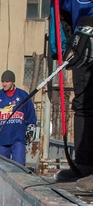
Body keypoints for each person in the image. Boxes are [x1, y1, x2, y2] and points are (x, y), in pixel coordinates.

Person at [55, 1, 93, 191]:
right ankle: (85, 166)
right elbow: (60, 13)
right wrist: (62, 46)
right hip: (81, 39)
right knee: (82, 102)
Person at [0, 70, 37, 166]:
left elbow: (30, 113)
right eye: (3, 81)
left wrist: (31, 126)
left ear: (12, 82)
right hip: (1, 139)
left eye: (7, 81)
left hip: (18, 138)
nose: (4, 84)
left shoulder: (22, 95)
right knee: (3, 167)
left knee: (19, 166)